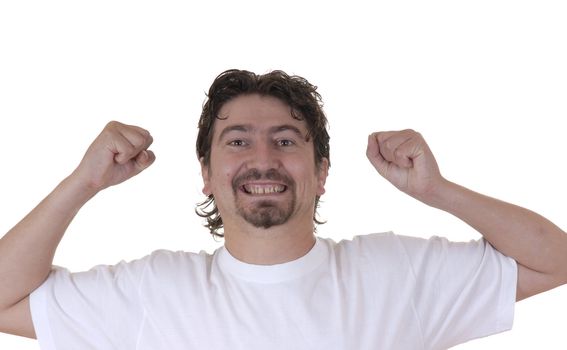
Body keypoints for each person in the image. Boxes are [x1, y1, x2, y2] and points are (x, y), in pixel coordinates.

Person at [0, 69, 565, 349]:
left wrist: (436, 192)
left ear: (321, 173)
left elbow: (555, 261)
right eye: (238, 141)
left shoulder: (399, 274)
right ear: (206, 175)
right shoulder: (151, 291)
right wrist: (82, 182)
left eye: (287, 141)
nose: (263, 159)